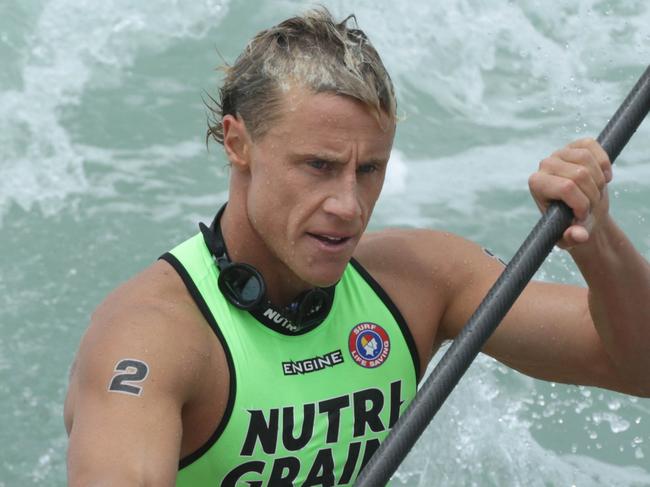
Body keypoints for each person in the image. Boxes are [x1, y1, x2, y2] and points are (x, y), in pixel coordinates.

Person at [64, 8, 650, 487]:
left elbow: (637, 365)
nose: (349, 205)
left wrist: (595, 240)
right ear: (238, 143)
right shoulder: (154, 336)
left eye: (369, 169)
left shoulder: (419, 280)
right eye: (317, 166)